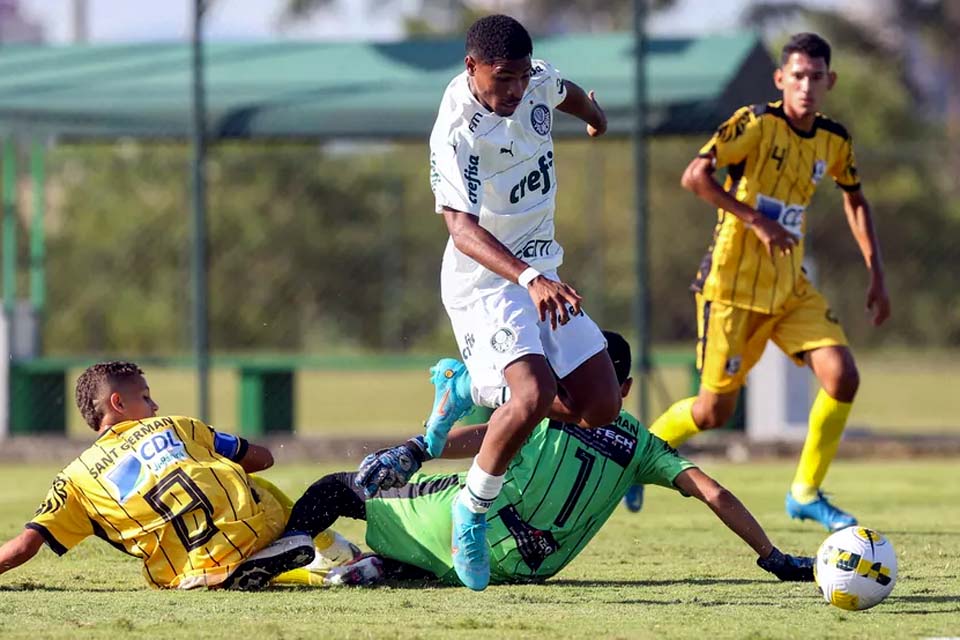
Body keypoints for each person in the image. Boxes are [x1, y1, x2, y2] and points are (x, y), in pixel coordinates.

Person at [263, 331, 814, 588]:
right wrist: (770, 554)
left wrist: (415, 448)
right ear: (621, 385)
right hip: (535, 567)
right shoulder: (642, 444)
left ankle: (271, 553)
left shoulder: (549, 406)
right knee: (449, 520)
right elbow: (713, 491)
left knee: (337, 489)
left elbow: (482, 436)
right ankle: (387, 567)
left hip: (477, 529)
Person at [626, 33, 890, 531]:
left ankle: (805, 492)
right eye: (797, 76)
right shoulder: (754, 123)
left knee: (843, 375)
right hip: (731, 289)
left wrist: (876, 271)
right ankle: (638, 456)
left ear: (829, 81)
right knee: (710, 413)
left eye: (816, 77)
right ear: (780, 80)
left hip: (789, 291)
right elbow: (695, 175)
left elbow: (855, 197)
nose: (806, 86)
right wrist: (754, 219)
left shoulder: (834, 139)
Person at [425, 13, 622, 591]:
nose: (512, 90)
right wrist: (530, 277)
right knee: (532, 394)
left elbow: (568, 95)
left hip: (543, 270)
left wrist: (597, 117)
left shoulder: (534, 79)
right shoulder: (456, 128)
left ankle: (470, 388)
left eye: (519, 77)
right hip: (487, 280)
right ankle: (473, 510)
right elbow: (460, 229)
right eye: (501, 78)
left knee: (600, 406)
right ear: (472, 66)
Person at [0, 361, 322, 590]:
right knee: (254, 482)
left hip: (181, 573)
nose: (154, 405)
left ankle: (274, 564)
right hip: (249, 531)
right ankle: (328, 554)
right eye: (145, 396)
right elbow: (263, 458)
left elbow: (24, 547)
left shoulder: (74, 479)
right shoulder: (175, 424)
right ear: (118, 402)